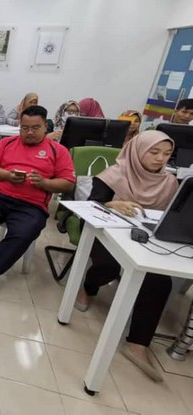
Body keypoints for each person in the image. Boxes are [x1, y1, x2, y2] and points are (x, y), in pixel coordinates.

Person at [74, 131, 178, 382]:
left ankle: (138, 344)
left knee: (160, 280)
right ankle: (88, 287)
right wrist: (112, 205)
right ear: (137, 150)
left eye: (167, 154)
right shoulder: (113, 175)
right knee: (108, 266)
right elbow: (90, 207)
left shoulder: (170, 183)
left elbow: (172, 215)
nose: (160, 159)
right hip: (106, 232)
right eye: (154, 152)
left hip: (145, 238)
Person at [0, 106, 75, 295]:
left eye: (35, 128)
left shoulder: (58, 151)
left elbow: (68, 183)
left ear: (45, 127)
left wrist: (44, 183)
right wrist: (7, 175)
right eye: (25, 128)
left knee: (22, 234)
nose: (29, 132)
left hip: (32, 205)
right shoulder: (6, 143)